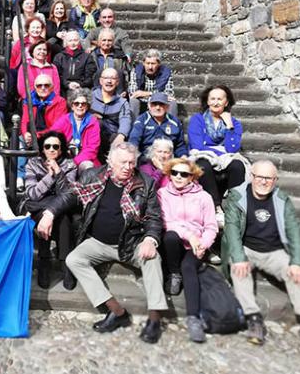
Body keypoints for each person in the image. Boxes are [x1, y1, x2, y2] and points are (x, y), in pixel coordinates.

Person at [67, 142, 168, 343]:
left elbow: (154, 217)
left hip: (131, 243)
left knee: (153, 258)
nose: (128, 167)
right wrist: (49, 213)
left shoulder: (145, 182)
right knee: (74, 259)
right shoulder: (93, 176)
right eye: (123, 162)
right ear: (110, 162)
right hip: (98, 242)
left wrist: (150, 239)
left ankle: (155, 319)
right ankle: (117, 312)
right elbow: (68, 196)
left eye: (131, 163)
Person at [223, 160, 300, 347]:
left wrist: (297, 262)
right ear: (252, 177)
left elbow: (294, 230)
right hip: (246, 247)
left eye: (269, 178)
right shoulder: (237, 196)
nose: (264, 182)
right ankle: (253, 318)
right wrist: (239, 258)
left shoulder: (281, 199)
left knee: (296, 273)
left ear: (275, 180)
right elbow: (231, 229)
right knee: (238, 269)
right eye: (260, 177)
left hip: (273, 251)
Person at [158, 158, 218, 343]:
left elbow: (211, 226)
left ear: (192, 177)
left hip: (196, 244)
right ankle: (174, 273)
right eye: (174, 172)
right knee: (170, 236)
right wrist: (189, 236)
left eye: (184, 174)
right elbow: (167, 223)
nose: (178, 176)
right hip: (174, 244)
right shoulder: (162, 194)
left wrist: (203, 244)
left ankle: (194, 318)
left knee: (189, 268)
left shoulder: (204, 197)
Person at [23, 132, 78, 289]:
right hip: (39, 208)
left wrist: (59, 172)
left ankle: (64, 263)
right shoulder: (33, 164)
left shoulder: (69, 164)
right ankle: (44, 261)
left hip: (60, 209)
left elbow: (69, 194)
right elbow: (32, 194)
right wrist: (50, 176)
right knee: (45, 218)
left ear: (61, 150)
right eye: (48, 146)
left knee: (64, 220)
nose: (52, 150)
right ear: (42, 149)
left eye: (56, 146)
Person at [187, 85, 246, 223]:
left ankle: (235, 208)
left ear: (226, 102)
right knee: (203, 164)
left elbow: (232, 149)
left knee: (238, 165)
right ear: (207, 102)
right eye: (212, 99)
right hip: (203, 158)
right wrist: (220, 150)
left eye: (220, 99)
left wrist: (229, 125)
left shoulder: (234, 123)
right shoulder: (198, 120)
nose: (215, 102)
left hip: (226, 159)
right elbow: (198, 146)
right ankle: (216, 207)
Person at [18, 74, 68, 190]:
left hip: (50, 135)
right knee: (20, 141)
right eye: (39, 86)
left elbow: (57, 126)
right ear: (35, 87)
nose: (43, 88)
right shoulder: (29, 100)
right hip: (33, 134)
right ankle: (20, 177)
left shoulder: (60, 101)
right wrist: (26, 133)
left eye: (46, 85)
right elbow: (25, 120)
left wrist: (37, 135)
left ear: (52, 87)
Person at [48, 88, 101, 172]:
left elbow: (92, 148)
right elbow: (51, 137)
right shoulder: (64, 120)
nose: (80, 106)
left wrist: (74, 162)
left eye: (83, 104)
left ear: (87, 106)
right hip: (65, 157)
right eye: (76, 103)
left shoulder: (93, 122)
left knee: (88, 166)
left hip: (84, 159)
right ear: (72, 106)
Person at [90, 68, 132, 163]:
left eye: (113, 78)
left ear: (117, 82)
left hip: (112, 136)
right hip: (93, 137)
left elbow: (125, 119)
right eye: (106, 78)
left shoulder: (122, 102)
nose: (109, 81)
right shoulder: (90, 97)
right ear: (101, 81)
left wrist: (121, 135)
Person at [128, 92, 188, 158]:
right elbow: (134, 141)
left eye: (161, 104)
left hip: (168, 157)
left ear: (167, 107)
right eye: (154, 104)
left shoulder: (175, 122)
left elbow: (180, 145)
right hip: (147, 158)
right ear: (149, 106)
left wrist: (183, 156)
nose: (158, 107)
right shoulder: (142, 120)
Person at [128, 49, 177, 118]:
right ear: (143, 63)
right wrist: (156, 94)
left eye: (153, 64)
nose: (150, 67)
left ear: (159, 64)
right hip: (141, 102)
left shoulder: (166, 72)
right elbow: (133, 93)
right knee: (133, 101)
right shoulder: (136, 71)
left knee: (172, 103)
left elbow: (169, 94)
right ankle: (133, 127)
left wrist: (147, 93)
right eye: (148, 63)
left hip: (159, 101)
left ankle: (171, 127)